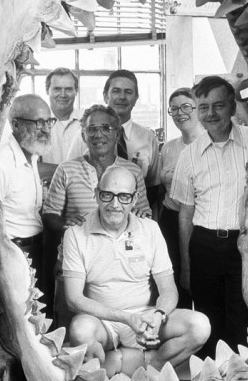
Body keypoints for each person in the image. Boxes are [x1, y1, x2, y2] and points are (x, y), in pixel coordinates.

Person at [170, 75, 248, 381]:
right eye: (203, 107)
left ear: (233, 105)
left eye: (218, 105)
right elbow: (185, 213)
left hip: (243, 247)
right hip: (203, 246)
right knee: (207, 335)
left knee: (240, 335)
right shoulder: (189, 154)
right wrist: (186, 264)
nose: (211, 114)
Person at [63, 166, 210, 377]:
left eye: (123, 197)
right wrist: (126, 319)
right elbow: (74, 299)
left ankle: (146, 366)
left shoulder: (150, 229)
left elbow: (168, 290)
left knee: (199, 326)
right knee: (80, 330)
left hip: (145, 317)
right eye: (107, 195)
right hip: (102, 322)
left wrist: (158, 316)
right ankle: (108, 378)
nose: (114, 204)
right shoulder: (75, 233)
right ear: (96, 195)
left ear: (134, 199)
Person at [42, 104, 151, 329]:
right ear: (83, 134)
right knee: (71, 331)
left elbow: (145, 213)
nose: (98, 134)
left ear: (117, 133)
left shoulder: (133, 171)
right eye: (92, 129)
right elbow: (49, 214)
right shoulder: (66, 169)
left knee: (114, 331)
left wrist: (141, 215)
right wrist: (64, 224)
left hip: (118, 268)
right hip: (74, 266)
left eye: (106, 128)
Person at [0, 94, 55, 317]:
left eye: (48, 122)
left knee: (37, 317)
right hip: (13, 253)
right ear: (16, 124)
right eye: (38, 123)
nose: (45, 129)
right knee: (19, 318)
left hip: (35, 249)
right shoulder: (3, 161)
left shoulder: (30, 154)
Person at [66, 70, 160, 203]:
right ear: (105, 96)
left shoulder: (148, 137)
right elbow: (69, 177)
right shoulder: (85, 135)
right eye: (116, 91)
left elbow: (152, 186)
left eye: (128, 92)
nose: (122, 97)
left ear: (136, 98)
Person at [158, 88, 204, 309]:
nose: (180, 113)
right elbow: (159, 189)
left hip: (199, 221)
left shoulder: (208, 144)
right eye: (174, 109)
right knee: (174, 280)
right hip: (170, 220)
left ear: (198, 108)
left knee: (199, 279)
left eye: (186, 106)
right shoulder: (169, 148)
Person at [42, 67, 81, 165]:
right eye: (57, 89)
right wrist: (72, 172)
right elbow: (33, 167)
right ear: (47, 90)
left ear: (76, 91)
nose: (63, 95)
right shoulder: (37, 124)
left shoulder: (87, 123)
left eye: (68, 89)